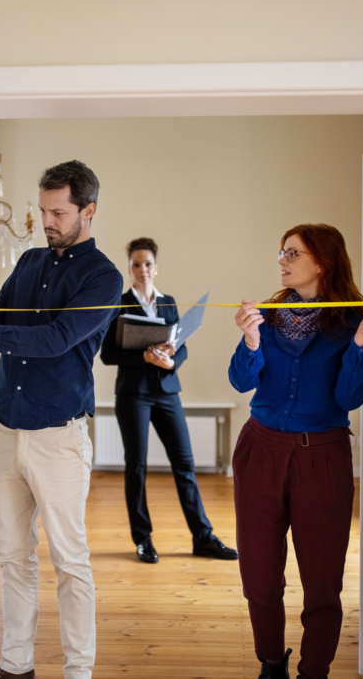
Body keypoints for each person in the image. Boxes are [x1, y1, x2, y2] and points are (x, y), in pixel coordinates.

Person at [0, 160, 122, 679]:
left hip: (58, 438)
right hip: (5, 430)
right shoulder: (31, 261)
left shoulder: (103, 277)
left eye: (58, 212)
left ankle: (78, 671)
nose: (47, 221)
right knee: (12, 556)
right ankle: (15, 665)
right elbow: (3, 321)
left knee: (69, 560)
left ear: (88, 210)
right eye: (42, 210)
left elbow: (55, 340)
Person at [228, 224, 363, 679]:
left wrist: (360, 346)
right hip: (260, 451)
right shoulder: (266, 316)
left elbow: (349, 399)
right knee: (259, 575)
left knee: (322, 581)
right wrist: (251, 342)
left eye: (292, 253)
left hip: (323, 458)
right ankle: (271, 662)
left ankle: (314, 669)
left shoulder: (353, 322)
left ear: (322, 262)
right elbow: (241, 382)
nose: (282, 260)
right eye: (282, 251)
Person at [99, 238, 238, 564]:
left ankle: (203, 537)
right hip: (133, 394)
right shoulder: (118, 304)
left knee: (185, 465)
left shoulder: (169, 302)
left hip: (167, 392)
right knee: (137, 467)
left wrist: (172, 360)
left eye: (147, 263)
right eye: (136, 264)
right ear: (129, 268)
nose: (142, 269)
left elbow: (182, 345)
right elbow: (108, 355)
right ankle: (143, 540)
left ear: (155, 267)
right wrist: (145, 356)